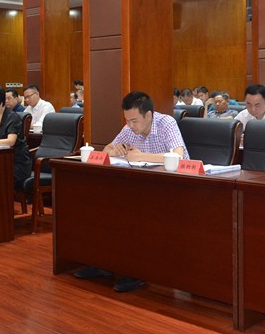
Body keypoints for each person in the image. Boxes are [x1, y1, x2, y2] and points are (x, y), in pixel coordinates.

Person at [81, 91, 189, 293]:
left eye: (134, 121)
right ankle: (104, 262)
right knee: (103, 208)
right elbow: (106, 150)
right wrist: (114, 151)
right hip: (142, 187)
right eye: (127, 120)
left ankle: (136, 270)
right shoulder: (129, 128)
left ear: (148, 115)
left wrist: (141, 156)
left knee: (135, 215)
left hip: (174, 189)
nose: (130, 125)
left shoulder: (166, 124)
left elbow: (179, 156)